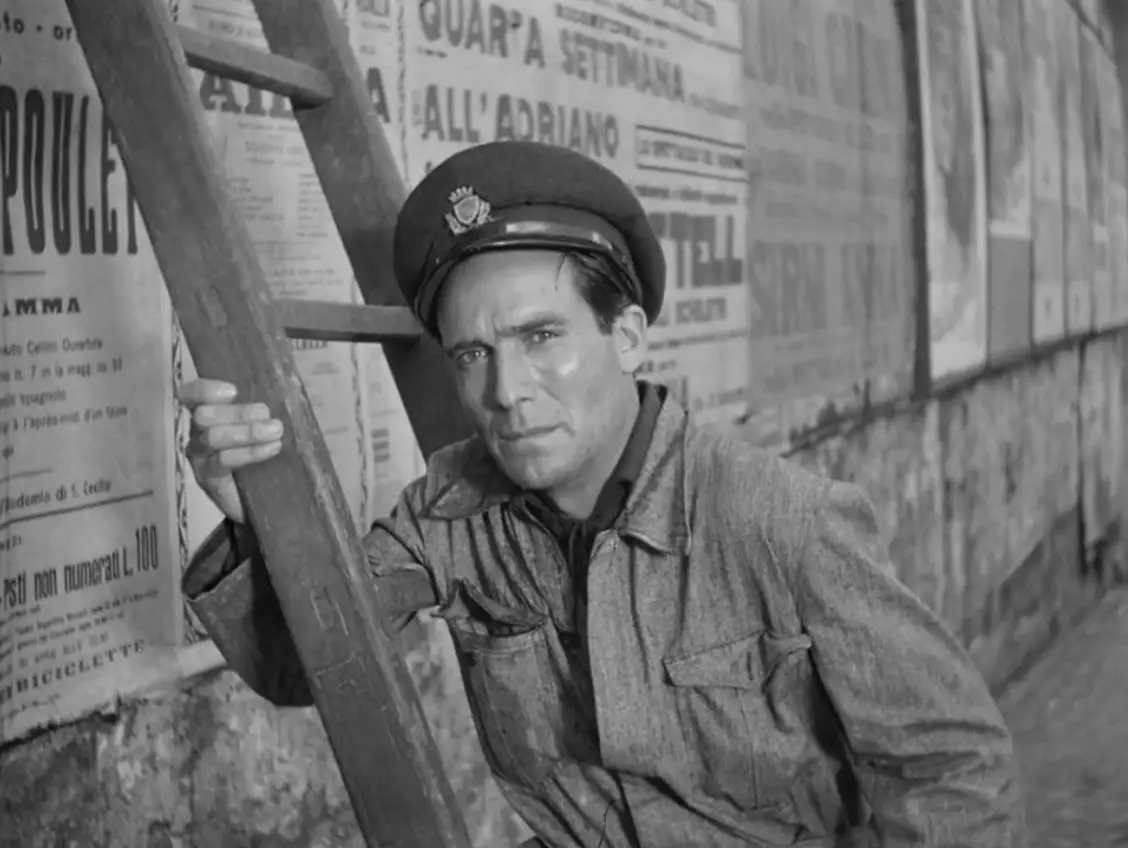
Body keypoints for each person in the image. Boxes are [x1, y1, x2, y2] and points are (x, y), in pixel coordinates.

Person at [179, 140, 1020, 847]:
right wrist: (254, 518)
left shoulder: (783, 519)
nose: (508, 391)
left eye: (541, 336)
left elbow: (953, 770)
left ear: (627, 335)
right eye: (473, 354)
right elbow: (311, 668)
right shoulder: (450, 510)